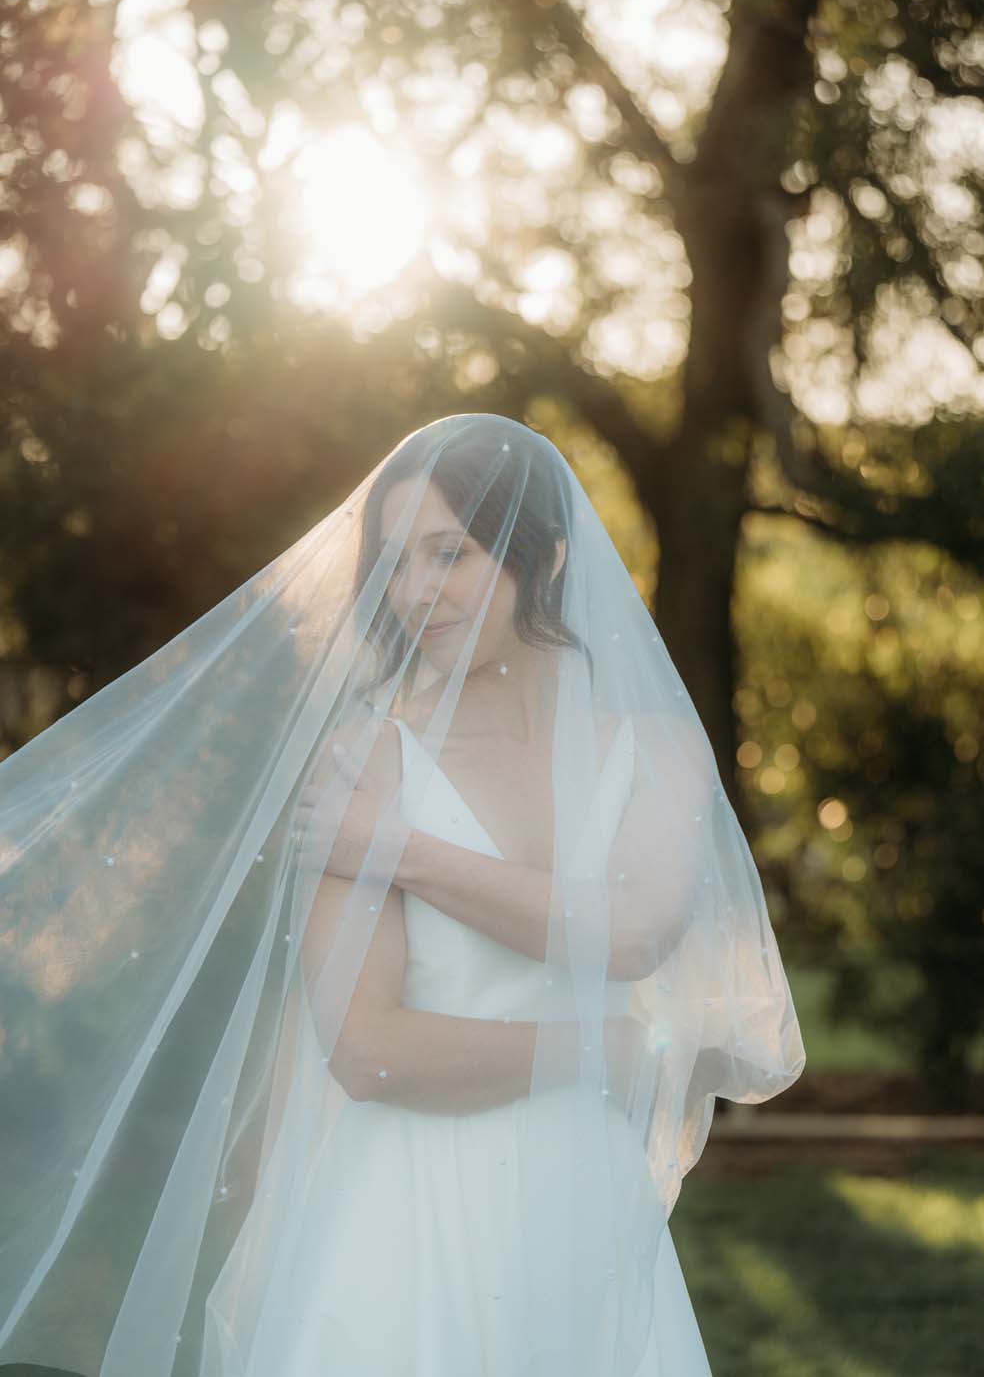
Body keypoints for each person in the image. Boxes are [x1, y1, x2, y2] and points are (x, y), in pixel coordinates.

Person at [0, 412, 805, 1377]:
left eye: (449, 553)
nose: (418, 590)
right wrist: (599, 1052)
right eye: (398, 561)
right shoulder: (367, 759)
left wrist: (407, 854)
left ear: (542, 560)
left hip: (582, 1205)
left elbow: (630, 937)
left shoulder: (657, 754)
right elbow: (368, 1049)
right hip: (403, 1208)